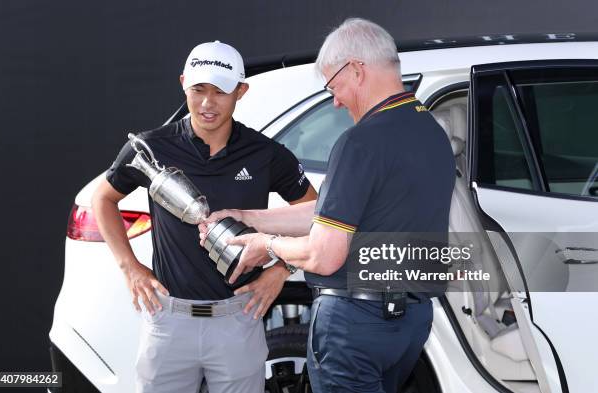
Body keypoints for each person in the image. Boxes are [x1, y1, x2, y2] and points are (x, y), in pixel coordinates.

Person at [200, 19, 455, 393]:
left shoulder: (361, 142)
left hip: (355, 324)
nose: (335, 100)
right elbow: (332, 216)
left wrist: (265, 245)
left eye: (334, 86)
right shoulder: (431, 132)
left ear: (356, 69)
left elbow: (324, 255)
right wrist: (247, 217)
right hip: (410, 323)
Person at [92, 40, 317, 393]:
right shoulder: (153, 147)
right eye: (198, 90)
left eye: (220, 92)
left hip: (238, 319)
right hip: (168, 320)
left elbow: (315, 215)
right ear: (184, 83)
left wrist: (280, 270)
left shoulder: (266, 154)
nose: (208, 103)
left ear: (241, 91)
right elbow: (102, 199)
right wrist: (130, 268)